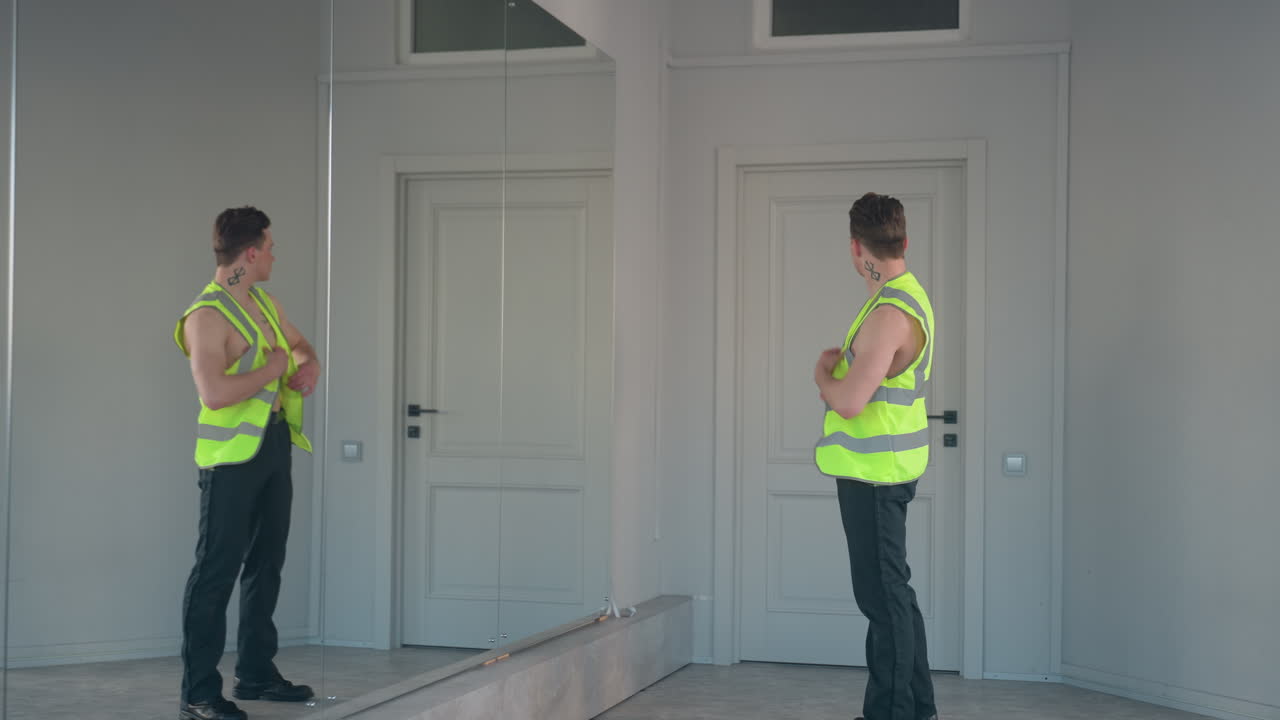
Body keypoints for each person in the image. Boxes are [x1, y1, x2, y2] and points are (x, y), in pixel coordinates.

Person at [174, 207, 319, 720]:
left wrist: (308, 367)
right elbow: (213, 394)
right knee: (216, 572)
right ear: (252, 251)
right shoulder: (206, 316)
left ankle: (256, 673)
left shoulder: (263, 302)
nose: (275, 254)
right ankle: (199, 693)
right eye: (272, 246)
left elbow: (301, 349)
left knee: (266, 564)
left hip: (274, 448)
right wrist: (274, 369)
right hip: (230, 461)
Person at [812, 193, 938, 720]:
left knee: (883, 602)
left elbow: (849, 400)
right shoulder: (905, 297)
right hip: (882, 472)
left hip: (876, 477)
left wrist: (821, 372)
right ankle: (920, 709)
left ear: (856, 248)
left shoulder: (889, 313)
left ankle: (889, 712)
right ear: (903, 242)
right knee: (895, 596)